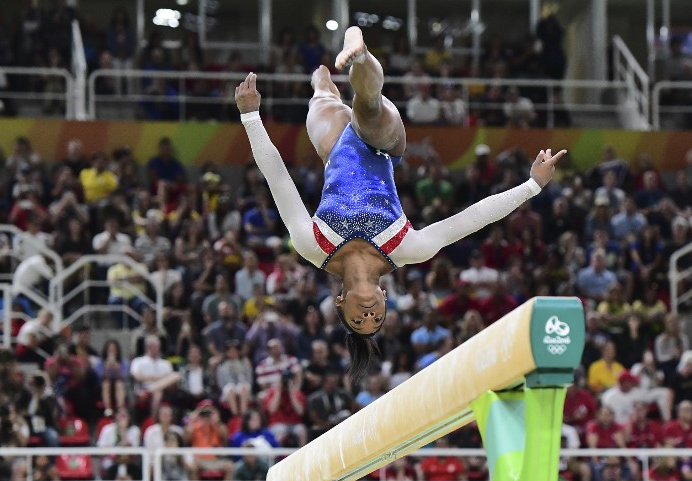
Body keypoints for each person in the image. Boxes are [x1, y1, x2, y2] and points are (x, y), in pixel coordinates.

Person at [235, 26, 566, 379]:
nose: (368, 314)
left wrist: (250, 117)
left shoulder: (312, 246)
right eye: (376, 318)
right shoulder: (406, 248)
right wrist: (531, 186)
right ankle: (359, 53)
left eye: (359, 319)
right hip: (384, 144)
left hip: (333, 149)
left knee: (321, 100)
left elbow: (278, 179)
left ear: (340, 303)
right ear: (384, 298)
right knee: (370, 112)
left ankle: (324, 83)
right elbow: (471, 219)